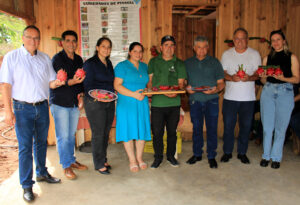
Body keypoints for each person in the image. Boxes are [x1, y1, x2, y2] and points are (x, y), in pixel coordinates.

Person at [0, 25, 63, 202]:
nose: (33, 41)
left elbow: (51, 82)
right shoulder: (12, 57)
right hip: (22, 108)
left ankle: (42, 173)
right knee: (25, 147)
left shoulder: (44, 58)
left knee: (41, 143)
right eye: (30, 37)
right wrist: (8, 111)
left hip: (42, 106)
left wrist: (59, 82)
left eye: (37, 38)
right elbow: (5, 85)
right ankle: (27, 185)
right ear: (22, 38)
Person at [50, 30, 88, 180]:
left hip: (73, 103)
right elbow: (61, 79)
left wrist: (81, 97)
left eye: (74, 41)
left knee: (70, 135)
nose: (71, 43)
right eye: (68, 41)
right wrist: (73, 81)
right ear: (62, 42)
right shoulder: (57, 59)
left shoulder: (79, 59)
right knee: (63, 136)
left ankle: (72, 161)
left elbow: (81, 81)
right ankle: (66, 165)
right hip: (59, 102)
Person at [259, 30, 299, 169]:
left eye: (278, 39)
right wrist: (263, 76)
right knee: (267, 127)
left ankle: (276, 158)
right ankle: (266, 155)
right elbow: (263, 80)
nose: (275, 42)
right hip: (268, 91)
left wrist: (283, 78)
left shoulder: (292, 57)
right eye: (273, 40)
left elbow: (297, 79)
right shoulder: (266, 58)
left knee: (280, 128)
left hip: (285, 91)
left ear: (284, 41)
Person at [220, 27, 261, 164]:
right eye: (237, 38)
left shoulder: (255, 54)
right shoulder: (226, 54)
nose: (240, 41)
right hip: (230, 98)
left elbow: (258, 74)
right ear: (233, 40)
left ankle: (242, 153)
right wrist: (231, 77)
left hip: (248, 99)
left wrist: (249, 78)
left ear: (247, 40)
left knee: (245, 127)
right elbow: (222, 74)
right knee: (228, 127)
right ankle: (227, 152)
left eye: (242, 38)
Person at [185, 36, 225, 169]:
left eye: (204, 47)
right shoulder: (188, 63)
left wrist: (215, 91)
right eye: (199, 47)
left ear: (208, 48)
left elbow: (221, 83)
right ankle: (197, 154)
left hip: (211, 101)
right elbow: (184, 82)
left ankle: (211, 156)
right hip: (195, 101)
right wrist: (187, 88)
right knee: (196, 128)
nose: (201, 50)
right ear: (194, 48)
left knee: (212, 129)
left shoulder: (215, 62)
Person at [148, 35, 187, 168]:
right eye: (166, 45)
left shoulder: (180, 63)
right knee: (157, 132)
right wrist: (156, 90)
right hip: (157, 104)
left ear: (174, 47)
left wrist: (177, 90)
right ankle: (158, 157)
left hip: (174, 104)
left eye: (171, 45)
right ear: (161, 47)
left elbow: (181, 84)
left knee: (172, 132)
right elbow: (150, 82)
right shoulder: (153, 62)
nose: (169, 48)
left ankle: (170, 156)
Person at [114, 42, 151, 172]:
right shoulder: (121, 66)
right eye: (135, 51)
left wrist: (147, 91)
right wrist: (134, 95)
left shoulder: (144, 66)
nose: (138, 54)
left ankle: (140, 158)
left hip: (142, 103)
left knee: (141, 131)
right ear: (129, 52)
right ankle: (132, 160)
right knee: (128, 131)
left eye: (140, 51)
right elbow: (117, 85)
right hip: (126, 103)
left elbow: (146, 84)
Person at [83, 37, 115, 175]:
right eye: (103, 46)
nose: (106, 49)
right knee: (98, 133)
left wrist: (110, 96)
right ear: (97, 48)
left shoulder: (108, 63)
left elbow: (110, 83)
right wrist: (100, 96)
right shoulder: (90, 64)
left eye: (108, 47)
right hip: (94, 103)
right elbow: (87, 85)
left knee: (105, 132)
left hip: (109, 101)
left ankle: (103, 158)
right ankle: (98, 163)